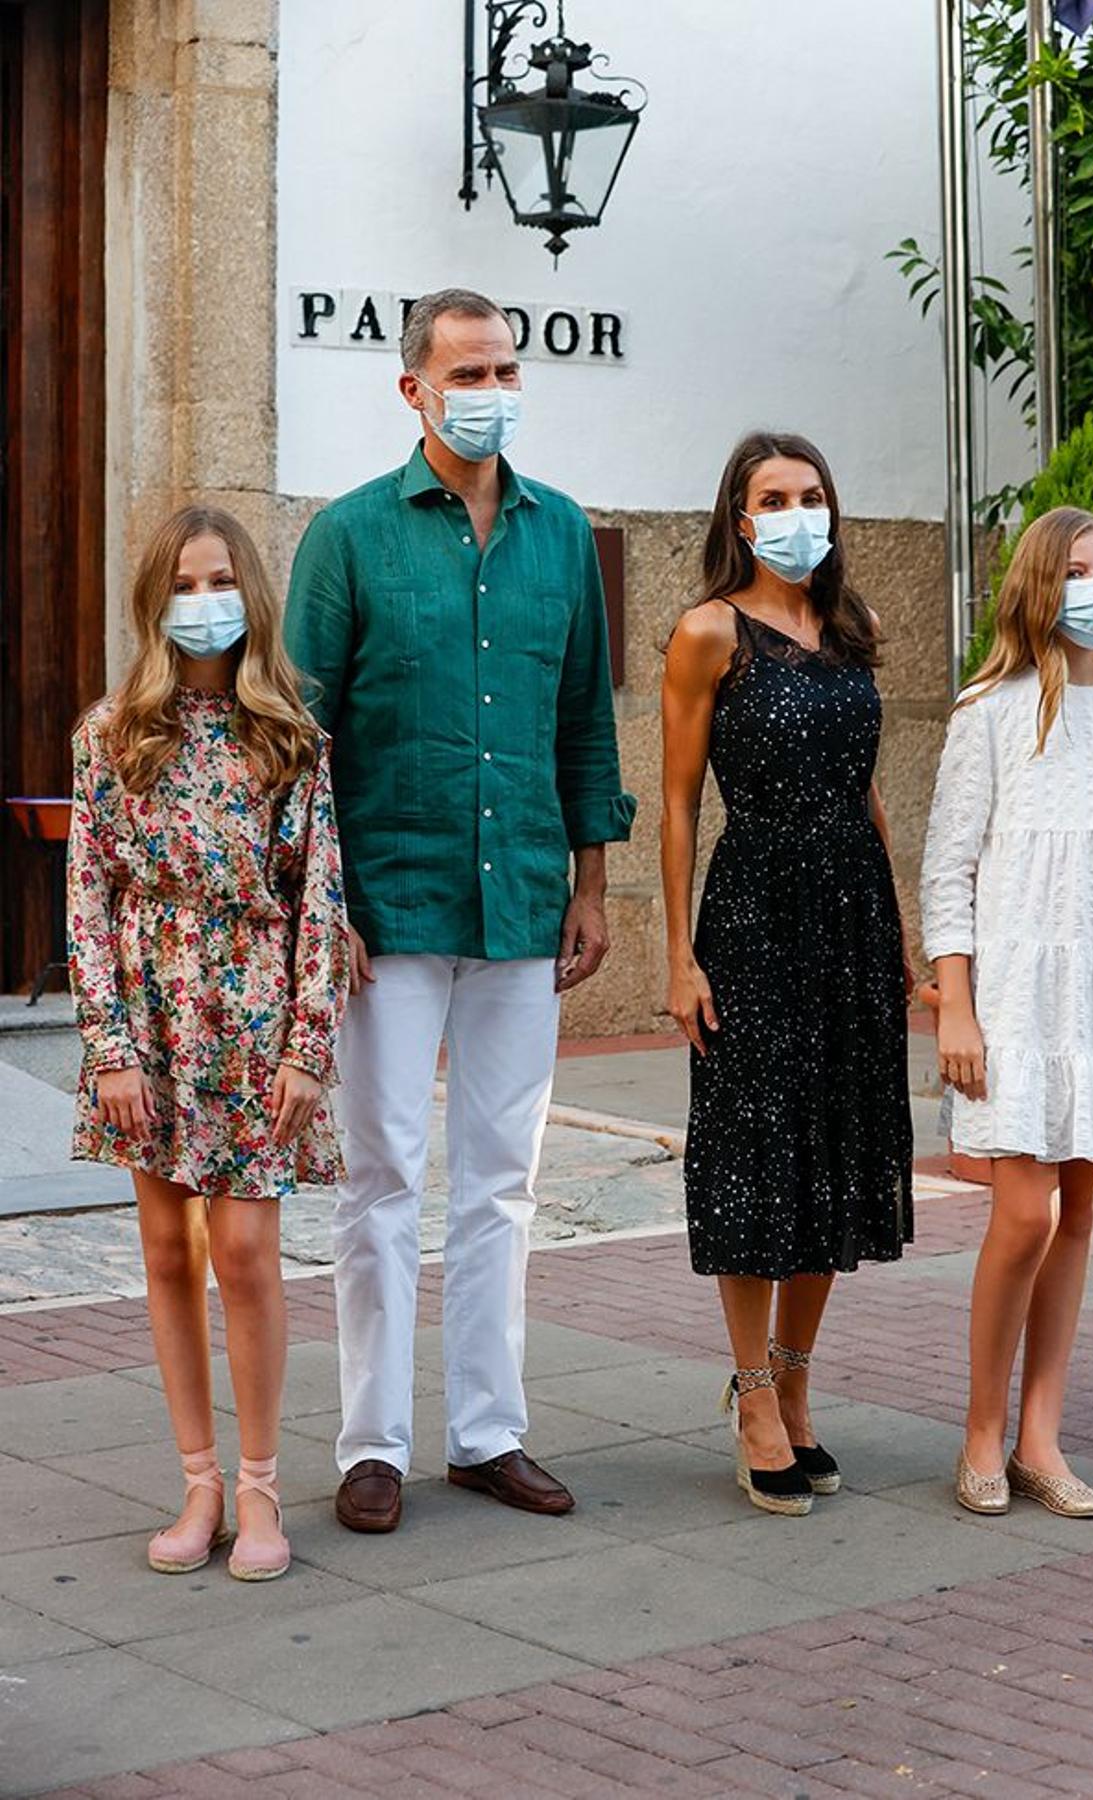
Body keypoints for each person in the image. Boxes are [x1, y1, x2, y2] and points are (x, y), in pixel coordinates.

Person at [284, 286, 635, 1532]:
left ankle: (488, 1433)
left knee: (501, 1180)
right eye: (468, 370)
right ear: (413, 388)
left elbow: (583, 720)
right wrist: (327, 907)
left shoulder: (560, 536)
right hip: (389, 907)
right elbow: (299, 742)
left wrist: (594, 883)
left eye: (506, 367)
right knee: (381, 1177)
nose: (493, 389)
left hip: (526, 901)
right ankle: (370, 1445)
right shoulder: (351, 537)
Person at [67, 506, 349, 1580]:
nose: (203, 601)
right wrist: (109, 1045)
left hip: (255, 1020)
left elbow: (320, 899)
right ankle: (197, 1481)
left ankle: (264, 1485)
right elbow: (86, 896)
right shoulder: (112, 735)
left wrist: (306, 1048)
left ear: (251, 594)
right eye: (182, 584)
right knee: (167, 1253)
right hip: (149, 1018)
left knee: (244, 1253)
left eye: (219, 578)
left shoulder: (290, 738)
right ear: (154, 603)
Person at [921, 506, 1093, 1519]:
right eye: (1078, 569)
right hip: (1017, 996)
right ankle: (981, 1433)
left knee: (1079, 1210)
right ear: (1039, 585)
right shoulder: (989, 710)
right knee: (1023, 1209)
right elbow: (947, 868)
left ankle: (1042, 1437)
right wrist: (955, 1005)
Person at [660, 431, 914, 1516]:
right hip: (755, 910)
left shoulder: (850, 630)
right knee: (758, 1155)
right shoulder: (708, 633)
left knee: (835, 1152)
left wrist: (899, 932)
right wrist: (678, 954)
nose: (798, 511)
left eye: (813, 494)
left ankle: (799, 1382)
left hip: (850, 914)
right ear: (739, 515)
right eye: (776, 496)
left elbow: (868, 792)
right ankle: (752, 1391)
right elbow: (675, 804)